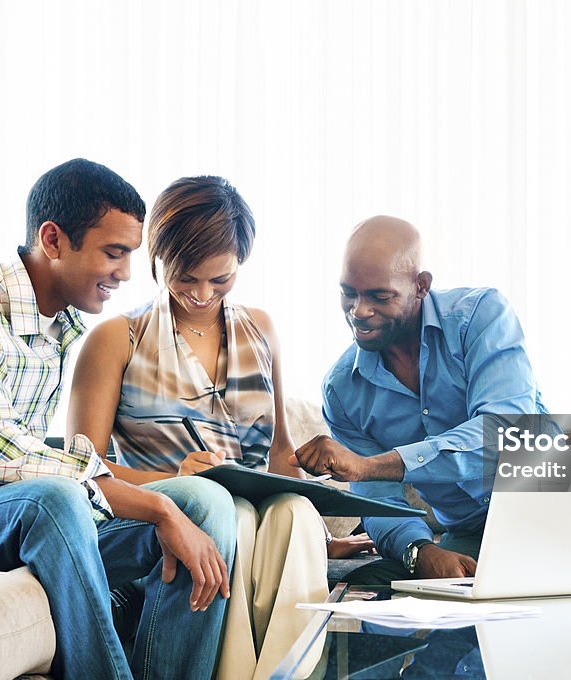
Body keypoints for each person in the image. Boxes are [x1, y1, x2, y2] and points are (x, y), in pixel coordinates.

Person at [0, 159, 236, 680]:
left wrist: (171, 501)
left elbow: (46, 463)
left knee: (204, 503)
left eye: (130, 256)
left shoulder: (62, 323)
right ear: (52, 239)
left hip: (13, 521)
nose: (126, 274)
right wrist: (154, 506)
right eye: (113, 253)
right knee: (56, 496)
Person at [66, 175, 369, 680]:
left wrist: (317, 539)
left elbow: (278, 457)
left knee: (292, 511)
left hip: (254, 506)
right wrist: (178, 478)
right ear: (159, 258)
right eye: (185, 278)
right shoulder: (117, 339)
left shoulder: (262, 329)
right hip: (165, 516)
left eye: (220, 280)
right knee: (233, 516)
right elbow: (82, 473)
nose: (202, 294)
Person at [291, 215, 547, 584]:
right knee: (380, 589)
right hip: (470, 537)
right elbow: (378, 503)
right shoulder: (342, 390)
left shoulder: (481, 317)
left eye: (379, 296)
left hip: (552, 507)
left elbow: (504, 435)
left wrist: (369, 465)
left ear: (421, 286)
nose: (359, 311)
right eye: (349, 292)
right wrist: (420, 552)